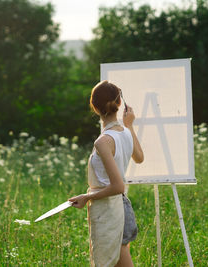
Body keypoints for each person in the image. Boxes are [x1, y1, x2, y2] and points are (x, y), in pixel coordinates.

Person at [69, 80, 144, 267]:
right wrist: (130, 125)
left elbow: (117, 186)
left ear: (94, 107)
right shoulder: (125, 132)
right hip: (120, 207)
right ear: (119, 104)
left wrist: (87, 196)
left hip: (111, 212)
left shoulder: (103, 142)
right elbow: (140, 157)